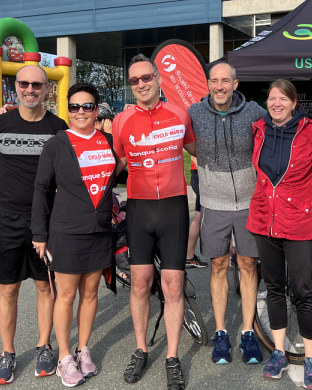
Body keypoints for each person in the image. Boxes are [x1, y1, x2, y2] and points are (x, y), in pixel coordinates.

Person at [0, 65, 69, 385]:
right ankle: (7, 353)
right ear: (14, 87)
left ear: (47, 90)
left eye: (37, 85)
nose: (30, 89)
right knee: (9, 288)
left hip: (45, 221)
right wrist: (9, 193)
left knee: (45, 285)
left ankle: (44, 346)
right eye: (24, 84)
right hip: (6, 218)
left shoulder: (58, 128)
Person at [112, 54, 196, 390]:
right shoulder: (121, 121)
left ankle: (172, 357)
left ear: (158, 78)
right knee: (142, 283)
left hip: (174, 207)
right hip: (139, 210)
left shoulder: (180, 115)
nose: (141, 84)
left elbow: (199, 153)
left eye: (146, 78)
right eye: (134, 81)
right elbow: (114, 165)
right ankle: (141, 348)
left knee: (173, 285)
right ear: (130, 86)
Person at [31, 83, 117, 387]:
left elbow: (121, 172)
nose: (81, 112)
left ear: (97, 110)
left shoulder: (108, 141)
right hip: (66, 230)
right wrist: (39, 233)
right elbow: (42, 188)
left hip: (99, 229)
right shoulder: (57, 143)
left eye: (88, 106)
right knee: (66, 296)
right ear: (68, 111)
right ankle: (65, 357)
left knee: (91, 293)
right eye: (75, 107)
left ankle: (83, 349)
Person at [187, 62, 266, 365]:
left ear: (235, 84)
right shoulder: (194, 113)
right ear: (207, 84)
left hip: (249, 202)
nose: (219, 87)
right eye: (214, 81)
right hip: (213, 203)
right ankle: (221, 332)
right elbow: (183, 142)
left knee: (247, 264)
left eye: (225, 81)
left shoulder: (254, 112)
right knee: (218, 265)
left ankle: (247, 331)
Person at [246, 79, 312, 389]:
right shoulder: (257, 129)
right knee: (274, 287)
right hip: (264, 218)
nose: (276, 103)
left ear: (294, 103)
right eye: (272, 98)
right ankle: (278, 351)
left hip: (299, 220)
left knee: (303, 290)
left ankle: (311, 358)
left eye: (283, 99)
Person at [185, 155, 208, 268]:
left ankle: (189, 256)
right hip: (200, 176)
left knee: (199, 218)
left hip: (202, 176)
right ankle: (189, 256)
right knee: (201, 218)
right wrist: (208, 176)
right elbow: (194, 156)